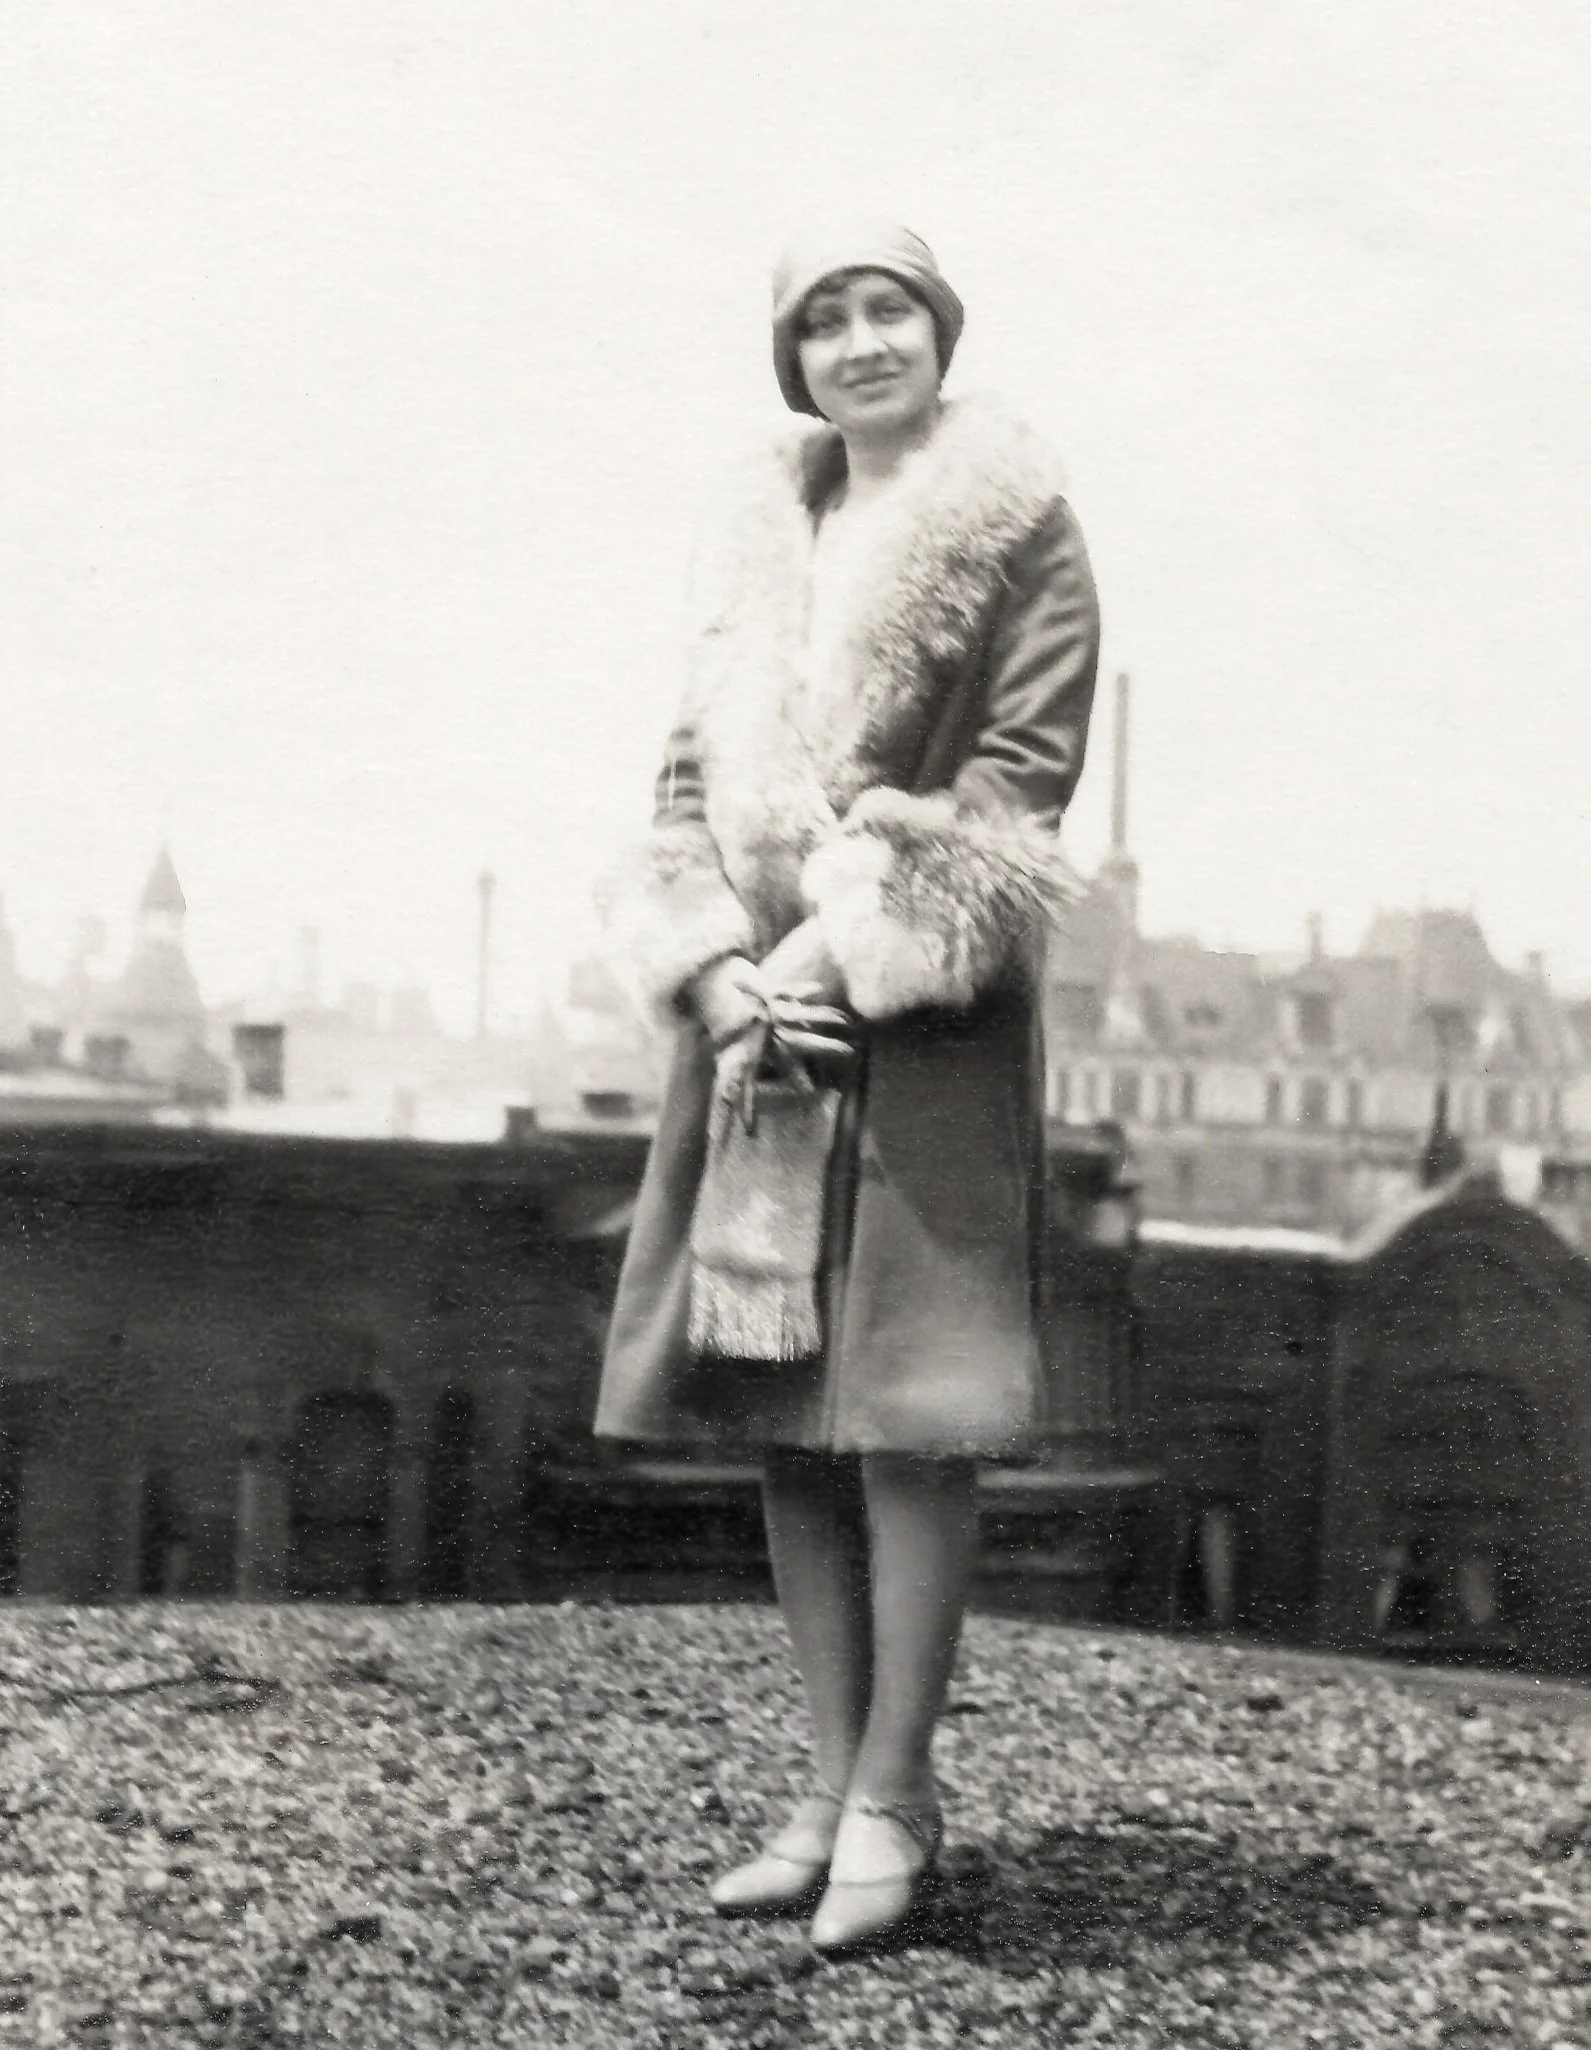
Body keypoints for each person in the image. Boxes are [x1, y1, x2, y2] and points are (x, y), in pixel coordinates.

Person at [595, 221, 1100, 1955]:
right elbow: (681, 777)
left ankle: (898, 1788)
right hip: (755, 1028)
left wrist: (820, 964)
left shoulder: (1015, 523)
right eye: (823, 321)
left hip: (917, 1014)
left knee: (902, 1416)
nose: (860, 342)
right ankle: (820, 1788)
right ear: (792, 358)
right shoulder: (757, 532)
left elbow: (1018, 785)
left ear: (940, 331)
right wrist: (722, 978)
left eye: (889, 311)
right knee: (782, 1421)